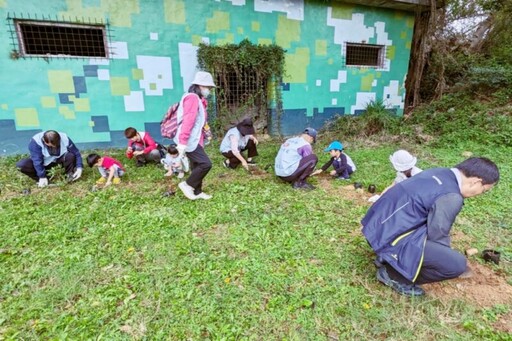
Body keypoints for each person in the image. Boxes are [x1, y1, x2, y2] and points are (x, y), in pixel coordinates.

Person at [361, 157, 499, 297]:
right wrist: (445, 257)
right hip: (389, 237)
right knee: (456, 264)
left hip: (375, 228)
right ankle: (394, 275)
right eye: (484, 190)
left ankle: (385, 256)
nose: (480, 194)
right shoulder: (451, 195)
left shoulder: (439, 172)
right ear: (476, 182)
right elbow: (438, 233)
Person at [174, 71, 215, 200]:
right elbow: (188, 121)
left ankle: (197, 192)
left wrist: (207, 133)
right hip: (188, 140)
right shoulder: (192, 98)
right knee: (205, 164)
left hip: (196, 139)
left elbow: (201, 121)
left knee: (197, 165)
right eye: (208, 87)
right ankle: (187, 185)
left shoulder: (199, 100)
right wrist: (182, 143)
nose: (209, 90)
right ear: (200, 86)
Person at [16, 130, 83, 187]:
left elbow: (76, 152)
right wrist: (42, 176)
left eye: (56, 145)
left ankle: (69, 175)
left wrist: (79, 168)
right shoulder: (35, 142)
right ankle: (44, 180)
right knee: (22, 165)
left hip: (57, 161)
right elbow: (37, 161)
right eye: (50, 146)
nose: (53, 147)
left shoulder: (64, 138)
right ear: (44, 141)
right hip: (43, 164)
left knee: (70, 156)